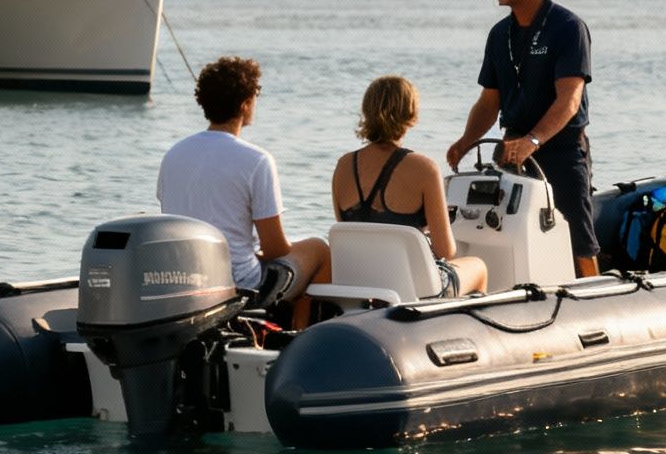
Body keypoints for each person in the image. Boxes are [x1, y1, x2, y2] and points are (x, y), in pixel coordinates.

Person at [445, 0, 601, 278]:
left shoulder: (567, 27)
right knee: (507, 235)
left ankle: (594, 299)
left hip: (560, 149)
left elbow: (569, 100)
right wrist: (465, 141)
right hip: (512, 151)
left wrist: (534, 140)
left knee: (578, 240)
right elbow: (489, 102)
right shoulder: (499, 35)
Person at [157, 56, 331, 327]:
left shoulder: (173, 155)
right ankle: (299, 338)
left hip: (187, 281)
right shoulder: (256, 160)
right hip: (241, 286)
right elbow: (275, 249)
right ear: (245, 104)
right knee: (318, 249)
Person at [331, 76, 488, 297]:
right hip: (412, 289)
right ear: (411, 114)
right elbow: (446, 252)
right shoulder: (425, 169)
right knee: (478, 267)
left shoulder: (343, 165)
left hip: (359, 285)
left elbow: (352, 233)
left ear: (367, 112)